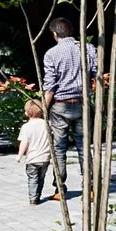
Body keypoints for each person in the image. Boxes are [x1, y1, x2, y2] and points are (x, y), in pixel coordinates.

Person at [40, 15, 97, 198]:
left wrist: (42, 110)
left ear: (55, 34)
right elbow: (96, 75)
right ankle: (90, 188)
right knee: (83, 147)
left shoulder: (51, 54)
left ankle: (60, 189)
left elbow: (49, 86)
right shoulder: (88, 48)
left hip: (60, 106)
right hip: (82, 104)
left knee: (59, 148)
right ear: (71, 32)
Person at [16, 96, 54, 205]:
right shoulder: (47, 124)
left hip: (32, 158)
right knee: (41, 178)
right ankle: (38, 194)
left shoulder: (26, 127)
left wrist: (19, 155)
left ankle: (33, 198)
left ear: (27, 113)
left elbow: (24, 142)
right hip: (45, 158)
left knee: (32, 178)